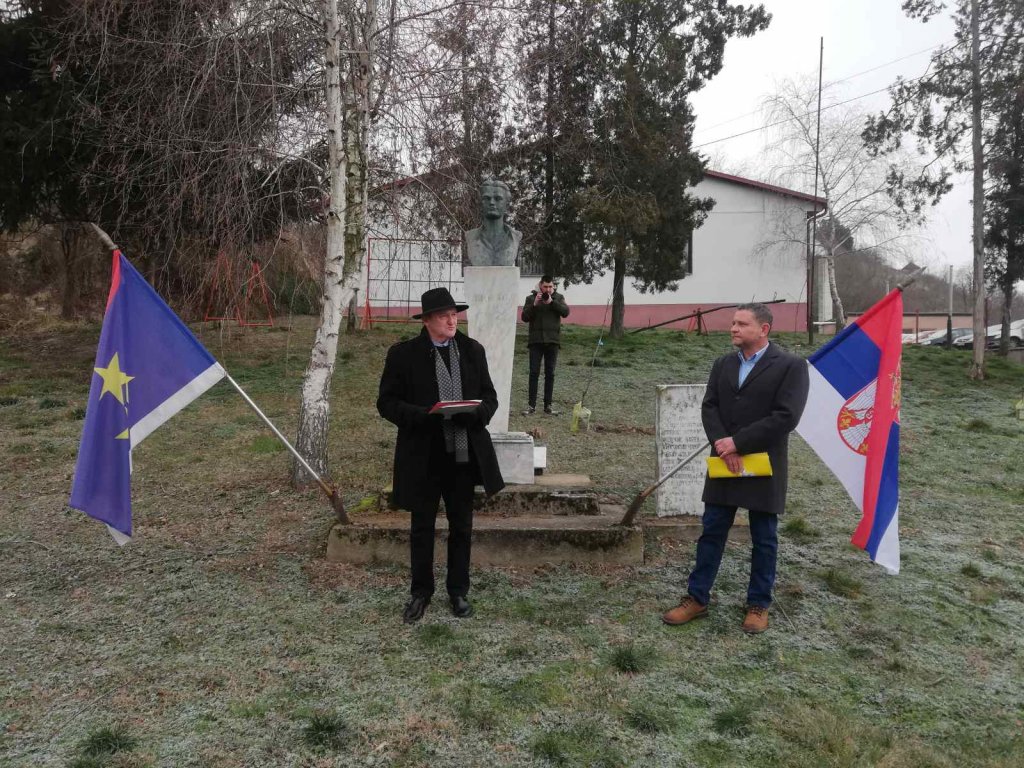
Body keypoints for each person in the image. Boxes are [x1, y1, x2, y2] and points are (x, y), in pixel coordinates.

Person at [662, 303, 809, 634]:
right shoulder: (723, 364)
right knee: (712, 531)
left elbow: (786, 416)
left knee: (764, 537)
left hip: (763, 463)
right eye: (733, 322)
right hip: (724, 459)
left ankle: (758, 604)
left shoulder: (790, 366)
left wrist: (738, 443)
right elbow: (710, 406)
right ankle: (697, 598)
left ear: (764, 329)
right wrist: (721, 444)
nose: (733, 328)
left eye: (742, 324)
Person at [377, 287, 505, 623]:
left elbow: (490, 398)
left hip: (463, 454)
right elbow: (386, 403)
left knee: (462, 526)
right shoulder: (403, 355)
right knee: (421, 527)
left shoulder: (472, 350)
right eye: (444, 315)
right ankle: (421, 592)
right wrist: (422, 415)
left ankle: (458, 591)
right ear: (427, 320)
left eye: (454, 314)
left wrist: (475, 414)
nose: (452, 320)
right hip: (423, 455)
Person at [521, 275, 570, 415]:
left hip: (553, 341)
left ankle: (548, 406)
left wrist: (552, 302)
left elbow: (566, 312)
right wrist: (534, 305)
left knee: (550, 374)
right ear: (540, 286)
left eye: (550, 286)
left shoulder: (558, 298)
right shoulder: (531, 298)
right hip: (536, 341)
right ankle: (531, 406)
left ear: (553, 286)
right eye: (545, 287)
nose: (548, 289)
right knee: (534, 373)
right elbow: (524, 317)